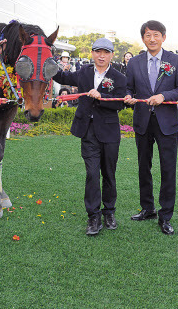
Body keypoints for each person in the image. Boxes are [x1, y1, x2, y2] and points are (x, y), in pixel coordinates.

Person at [52, 38, 126, 235]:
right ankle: (93, 216)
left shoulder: (119, 77)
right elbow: (63, 77)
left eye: (106, 52)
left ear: (111, 55)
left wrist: (102, 98)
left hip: (109, 132)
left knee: (109, 174)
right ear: (92, 53)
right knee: (92, 173)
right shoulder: (84, 72)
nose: (101, 56)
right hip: (88, 131)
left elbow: (120, 104)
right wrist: (47, 62)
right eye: (97, 52)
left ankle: (109, 211)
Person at [124, 20, 178, 235]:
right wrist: (128, 97)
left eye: (156, 35)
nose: (152, 39)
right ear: (143, 38)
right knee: (144, 167)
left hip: (167, 123)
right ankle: (147, 208)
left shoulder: (175, 60)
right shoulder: (134, 63)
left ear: (163, 37)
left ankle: (166, 215)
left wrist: (164, 96)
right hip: (142, 121)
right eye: (147, 35)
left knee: (168, 169)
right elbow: (129, 88)